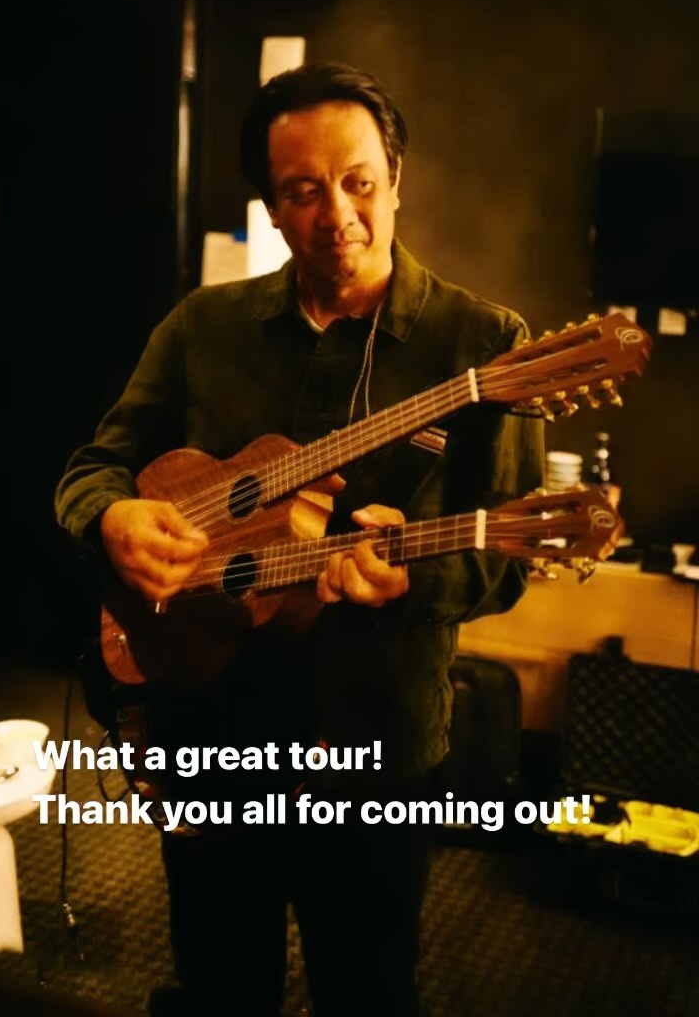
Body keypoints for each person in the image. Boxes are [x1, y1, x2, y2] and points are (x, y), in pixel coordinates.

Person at [55, 62, 543, 1017]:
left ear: (397, 180)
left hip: (371, 747)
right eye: (303, 191)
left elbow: (510, 557)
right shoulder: (204, 327)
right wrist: (110, 518)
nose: (338, 215)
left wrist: (412, 581)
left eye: (358, 182)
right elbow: (96, 465)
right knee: (217, 982)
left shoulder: (483, 345)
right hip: (208, 722)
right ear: (274, 208)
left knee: (366, 991)